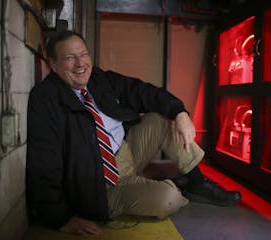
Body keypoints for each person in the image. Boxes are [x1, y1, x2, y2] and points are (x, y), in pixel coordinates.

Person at [26, 30, 241, 235]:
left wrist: (181, 113)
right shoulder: (45, 99)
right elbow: (44, 161)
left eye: (84, 55)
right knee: (169, 199)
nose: (81, 63)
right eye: (70, 58)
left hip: (127, 152)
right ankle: (169, 186)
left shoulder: (99, 79)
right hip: (100, 185)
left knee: (162, 118)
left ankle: (197, 182)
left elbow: (142, 91)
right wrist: (60, 218)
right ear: (53, 64)